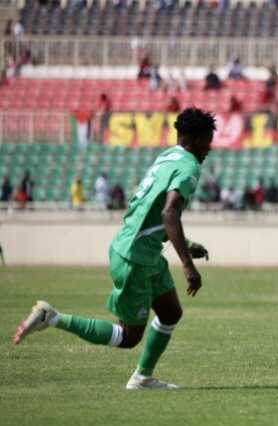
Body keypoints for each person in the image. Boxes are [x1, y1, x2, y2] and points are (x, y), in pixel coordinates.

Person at [14, 108, 217, 390]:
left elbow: (151, 210)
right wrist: (187, 264)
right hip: (136, 257)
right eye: (208, 139)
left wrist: (187, 244)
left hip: (142, 250)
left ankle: (142, 378)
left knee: (170, 312)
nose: (210, 147)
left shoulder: (167, 157)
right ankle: (52, 317)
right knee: (128, 337)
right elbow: (169, 214)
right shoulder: (190, 166)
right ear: (194, 139)